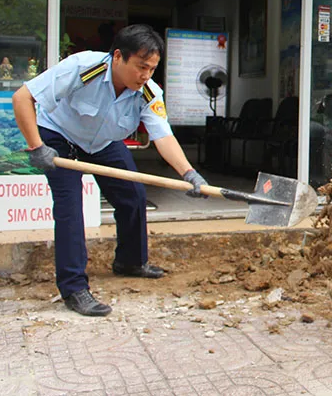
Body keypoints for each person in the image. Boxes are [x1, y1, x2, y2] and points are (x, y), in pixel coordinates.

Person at [11, 24, 208, 317]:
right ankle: (74, 287)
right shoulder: (82, 68)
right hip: (58, 136)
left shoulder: (148, 93)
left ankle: (130, 261)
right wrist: (37, 146)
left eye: (152, 69)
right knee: (70, 207)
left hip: (103, 142)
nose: (146, 76)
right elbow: (22, 97)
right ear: (118, 57)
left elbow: (163, 136)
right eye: (141, 67)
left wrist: (188, 173)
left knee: (132, 196)